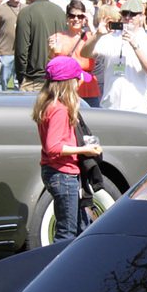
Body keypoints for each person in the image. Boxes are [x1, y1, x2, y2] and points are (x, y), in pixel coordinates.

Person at [32, 55, 103, 243]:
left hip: (56, 172)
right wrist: (84, 150)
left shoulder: (49, 105)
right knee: (66, 234)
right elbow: (53, 147)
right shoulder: (60, 109)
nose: (80, 83)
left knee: (80, 226)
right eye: (78, 79)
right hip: (63, 174)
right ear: (68, 83)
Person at [82, 0, 147, 114]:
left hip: (137, 109)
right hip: (109, 107)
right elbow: (85, 53)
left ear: (141, 17)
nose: (128, 17)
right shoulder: (110, 38)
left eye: (132, 14)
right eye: (125, 14)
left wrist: (135, 45)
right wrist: (97, 35)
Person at [14, 0, 66, 90]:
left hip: (34, 79)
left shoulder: (26, 12)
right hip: (57, 77)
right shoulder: (59, 11)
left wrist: (22, 76)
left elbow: (21, 50)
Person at [47, 0, 101, 105]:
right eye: (72, 16)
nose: (76, 19)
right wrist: (50, 50)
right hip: (65, 86)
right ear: (67, 18)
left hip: (87, 86)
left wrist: (91, 25)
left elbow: (101, 46)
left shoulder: (90, 36)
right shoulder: (57, 37)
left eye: (80, 16)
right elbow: (51, 62)